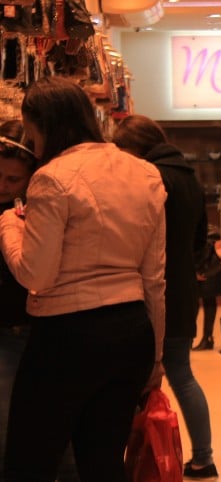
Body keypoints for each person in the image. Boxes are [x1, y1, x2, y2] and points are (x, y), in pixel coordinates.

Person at [0, 76, 166, 482]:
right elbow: (154, 278)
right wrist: (156, 355)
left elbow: (34, 274)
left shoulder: (52, 177)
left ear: (41, 125)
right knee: (103, 463)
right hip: (131, 331)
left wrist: (9, 226)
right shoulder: (143, 173)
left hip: (67, 333)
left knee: (29, 461)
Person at [111, 113, 218, 479]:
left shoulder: (149, 178)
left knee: (139, 378)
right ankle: (203, 455)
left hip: (152, 291)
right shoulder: (188, 177)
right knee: (182, 372)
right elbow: (199, 237)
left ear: (137, 148)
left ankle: (136, 460)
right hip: (183, 288)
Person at [0, 120, 80, 481]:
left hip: (47, 330)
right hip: (6, 334)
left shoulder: (46, 206)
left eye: (12, 180)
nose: (1, 186)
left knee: (58, 438)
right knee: (5, 437)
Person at [193, 223, 221, 351]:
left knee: (202, 300)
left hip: (205, 268)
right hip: (212, 268)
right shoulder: (212, 231)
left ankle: (204, 339)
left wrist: (197, 271)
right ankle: (207, 338)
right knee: (208, 299)